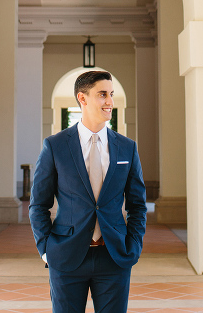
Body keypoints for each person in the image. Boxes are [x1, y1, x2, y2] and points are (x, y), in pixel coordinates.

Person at [30, 70, 147, 313]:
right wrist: (46, 251)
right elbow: (38, 205)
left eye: (111, 95)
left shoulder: (127, 148)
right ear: (82, 98)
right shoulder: (55, 146)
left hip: (114, 256)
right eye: (103, 94)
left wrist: (133, 245)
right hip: (66, 256)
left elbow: (138, 205)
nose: (110, 102)